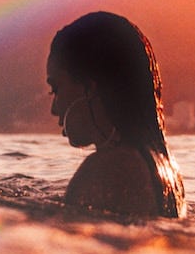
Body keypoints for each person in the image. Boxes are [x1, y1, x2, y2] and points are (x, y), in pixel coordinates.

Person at [47, 11, 186, 218]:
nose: (54, 108)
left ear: (90, 87)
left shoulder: (107, 170)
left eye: (56, 89)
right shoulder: (166, 170)